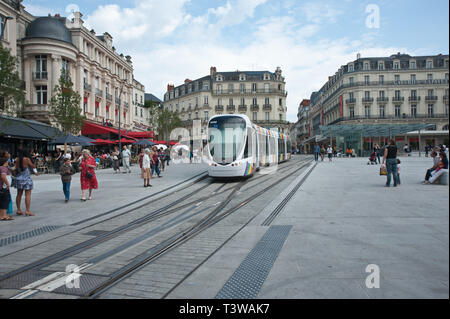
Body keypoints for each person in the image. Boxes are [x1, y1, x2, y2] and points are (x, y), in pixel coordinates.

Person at [14, 150, 37, 216]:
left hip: (19, 178)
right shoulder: (27, 159)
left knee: (19, 194)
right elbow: (33, 166)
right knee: (27, 195)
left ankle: (18, 210)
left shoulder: (17, 159)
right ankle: (27, 210)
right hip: (26, 179)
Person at [0, 156, 13, 221]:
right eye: (7, 161)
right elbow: (3, 176)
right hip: (3, 187)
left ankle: (1, 215)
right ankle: (4, 215)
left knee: (1, 201)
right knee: (5, 201)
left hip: (1, 187)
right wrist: (7, 184)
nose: (8, 163)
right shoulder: (4, 168)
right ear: (4, 162)